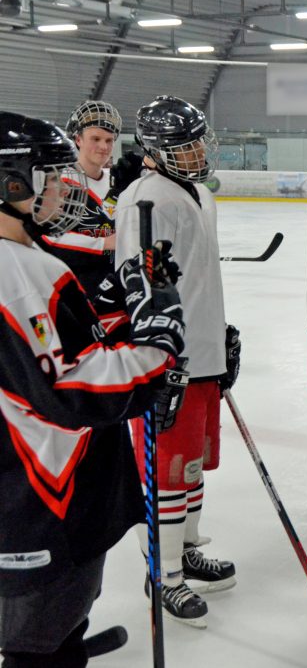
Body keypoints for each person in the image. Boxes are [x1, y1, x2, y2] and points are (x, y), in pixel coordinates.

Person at [0, 112, 184, 667]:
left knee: (53, 630)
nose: (60, 187)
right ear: (10, 184)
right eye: (47, 176)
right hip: (42, 499)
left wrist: (132, 310)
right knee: (40, 641)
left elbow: (54, 356)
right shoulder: (15, 272)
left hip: (35, 495)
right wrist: (154, 347)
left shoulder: (27, 260)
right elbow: (68, 388)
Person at [115, 95, 238, 628]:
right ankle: (162, 573)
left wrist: (218, 335)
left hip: (202, 354)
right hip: (174, 361)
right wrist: (159, 357)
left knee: (191, 465)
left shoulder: (195, 195)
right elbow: (150, 281)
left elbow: (195, 275)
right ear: (154, 150)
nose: (194, 152)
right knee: (167, 469)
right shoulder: (147, 199)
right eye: (182, 145)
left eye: (196, 141)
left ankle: (185, 548)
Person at [35, 100, 121, 297]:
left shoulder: (116, 181)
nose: (103, 147)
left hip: (115, 288)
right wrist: (104, 243)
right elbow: (46, 235)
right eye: (96, 139)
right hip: (76, 290)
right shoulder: (59, 184)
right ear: (78, 139)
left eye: (109, 140)